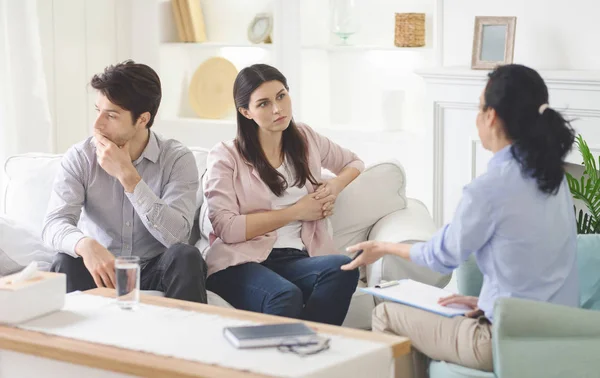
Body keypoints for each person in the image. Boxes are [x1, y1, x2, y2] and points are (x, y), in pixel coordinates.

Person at [342, 64, 579, 376]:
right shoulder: (554, 178)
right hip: (557, 337)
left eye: (479, 107)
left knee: (387, 314)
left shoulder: (489, 188)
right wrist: (487, 301)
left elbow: (440, 257)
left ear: (491, 116)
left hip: (500, 342)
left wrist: (384, 248)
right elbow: (533, 263)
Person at [203, 64, 362, 325]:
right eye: (263, 103)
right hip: (240, 263)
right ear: (246, 112)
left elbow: (354, 163)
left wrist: (332, 187)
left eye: (281, 96)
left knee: (342, 268)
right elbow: (227, 227)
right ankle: (293, 359)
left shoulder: (306, 139)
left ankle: (307, 354)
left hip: (295, 258)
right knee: (285, 295)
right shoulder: (226, 156)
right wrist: (296, 211)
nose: (278, 109)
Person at [43, 60, 207, 303]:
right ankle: (74, 341)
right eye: (97, 110)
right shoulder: (80, 157)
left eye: (111, 115)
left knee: (186, 256)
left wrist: (128, 176)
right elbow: (53, 224)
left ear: (142, 119)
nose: (97, 124)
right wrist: (85, 245)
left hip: (155, 268)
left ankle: (185, 337)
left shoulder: (177, 159)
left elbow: (177, 236)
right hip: (102, 267)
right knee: (64, 261)